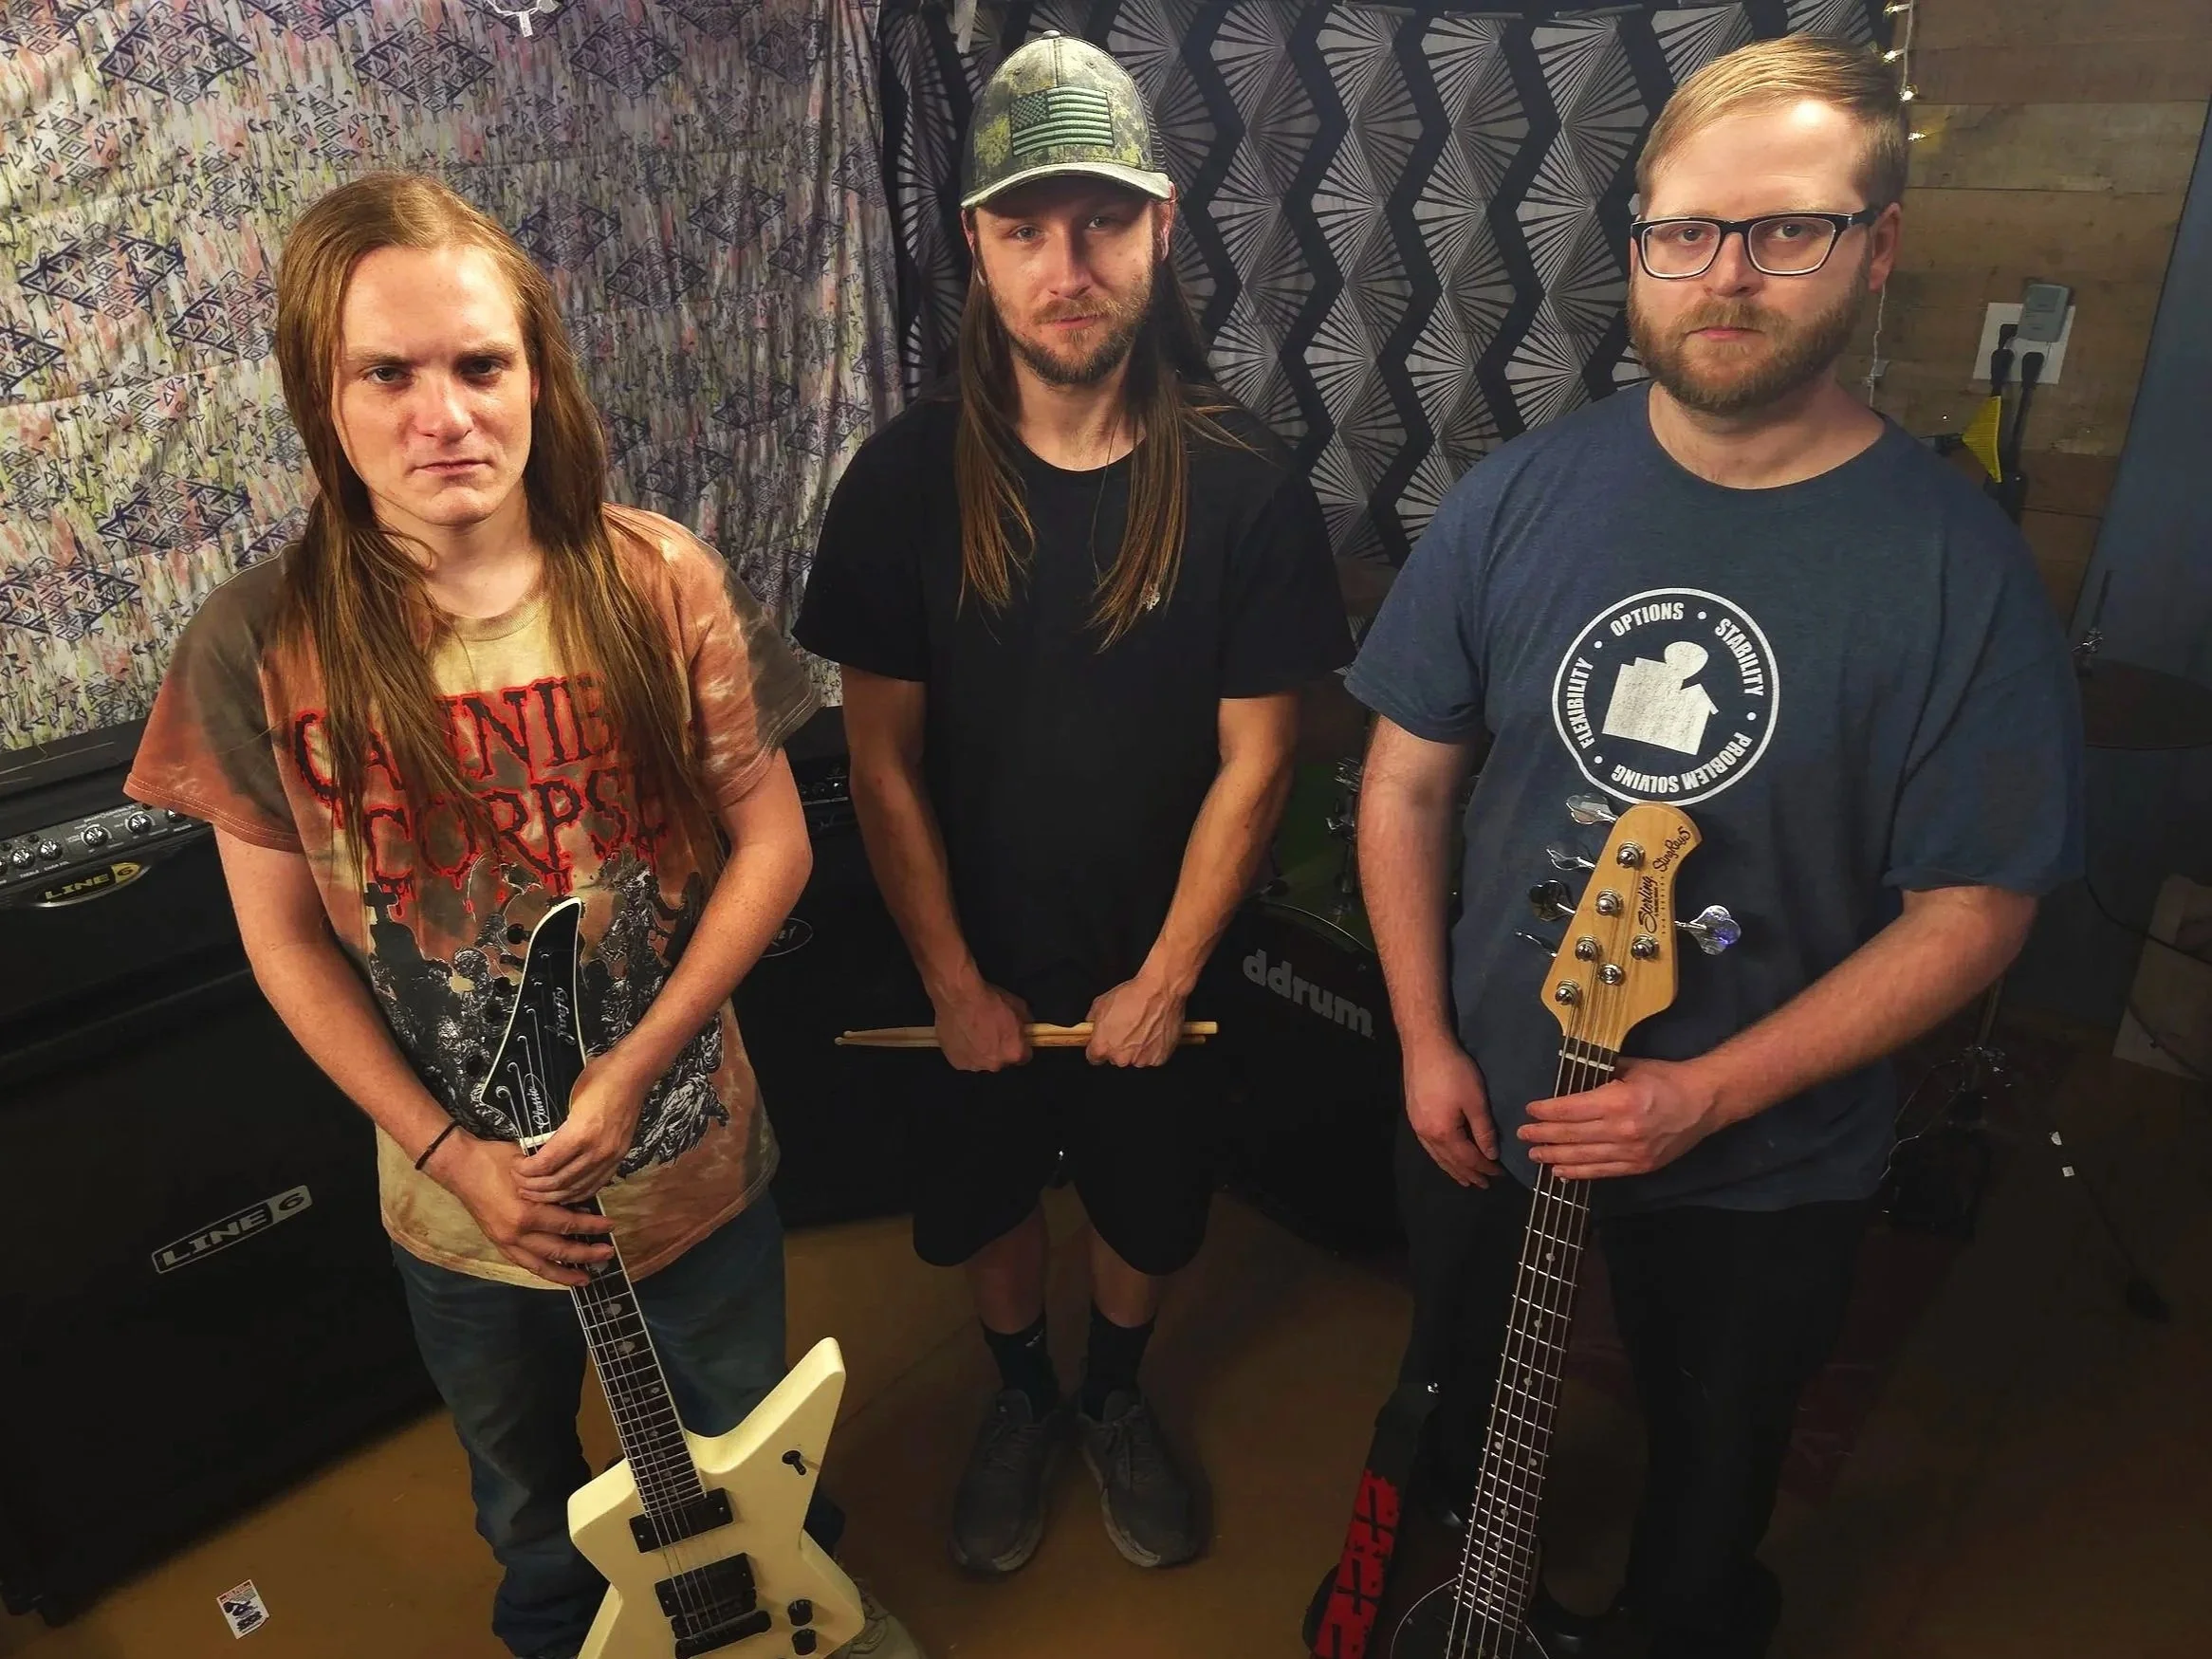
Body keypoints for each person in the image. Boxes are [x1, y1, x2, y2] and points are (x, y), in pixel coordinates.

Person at [1340, 36, 2082, 1658]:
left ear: (1877, 244)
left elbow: (1975, 911)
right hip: (1484, 1103)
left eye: (1786, 229)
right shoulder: (1521, 497)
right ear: (1637, 248)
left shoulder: (1957, 572)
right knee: (1454, 1431)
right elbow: (1402, 786)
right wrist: (1418, 1037)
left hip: (1764, 1165)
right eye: (1685, 232)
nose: (1726, 274)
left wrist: (1709, 1094)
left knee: (1702, 1520)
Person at [125, 174, 920, 1659]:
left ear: (536, 374)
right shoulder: (255, 642)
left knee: (758, 1469)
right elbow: (285, 939)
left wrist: (637, 1067)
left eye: (482, 365)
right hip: (459, 1214)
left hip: (692, 1171)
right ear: (324, 393)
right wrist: (452, 1156)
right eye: (390, 373)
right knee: (530, 1517)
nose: (447, 415)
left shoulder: (655, 579)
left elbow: (772, 844)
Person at [796, 34, 1354, 1576]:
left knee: (1150, 1207)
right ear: (974, 245)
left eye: (1100, 222)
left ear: (1161, 229)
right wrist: (954, 982)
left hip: (1156, 952)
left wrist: (1168, 978)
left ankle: (1111, 1396)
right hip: (964, 952)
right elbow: (882, 761)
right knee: (986, 1200)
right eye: (1026, 227)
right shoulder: (903, 484)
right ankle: (1024, 1395)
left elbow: (1263, 757)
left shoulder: (1244, 485)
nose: (1067, 264)